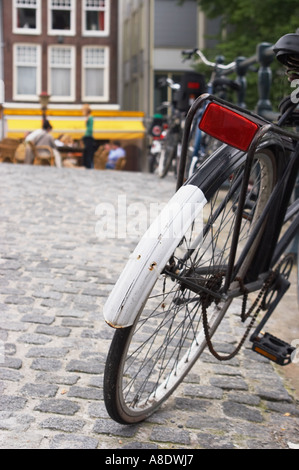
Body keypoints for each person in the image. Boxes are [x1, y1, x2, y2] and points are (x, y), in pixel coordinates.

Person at [82, 104, 94, 169]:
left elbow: (90, 129)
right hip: (87, 136)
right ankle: (87, 166)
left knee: (88, 153)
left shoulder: (90, 117)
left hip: (88, 137)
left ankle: (88, 166)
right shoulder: (88, 117)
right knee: (86, 153)